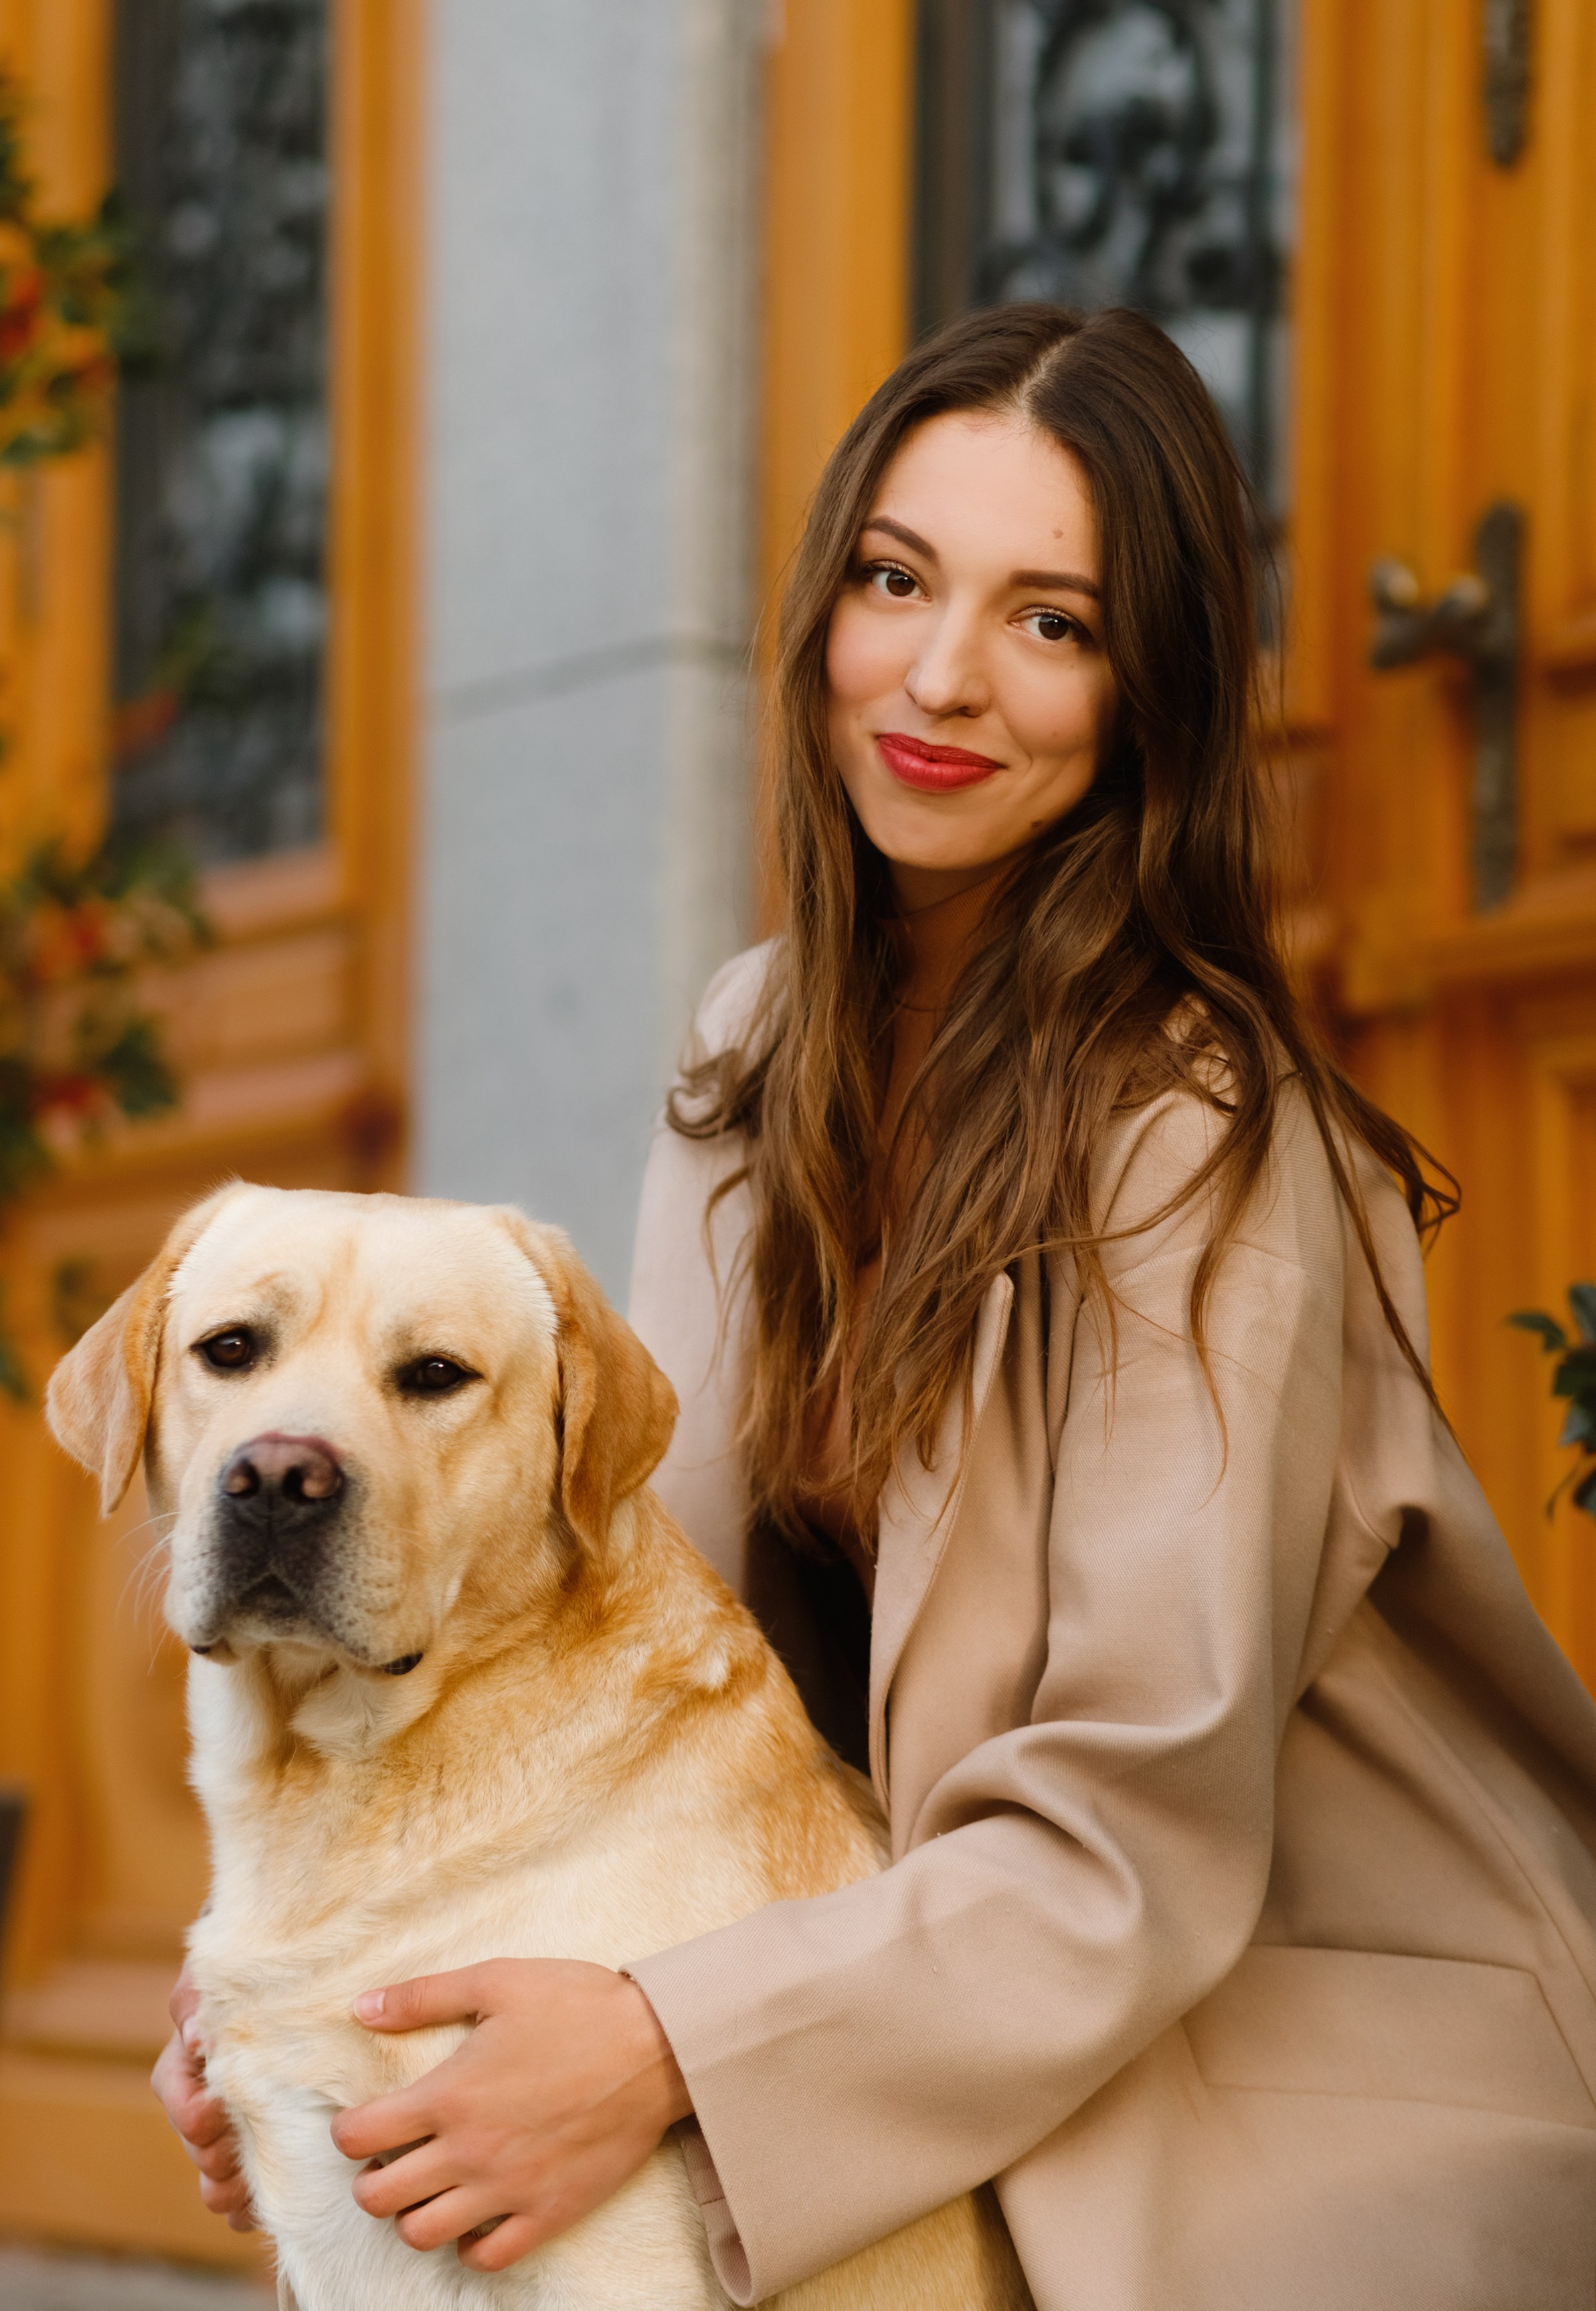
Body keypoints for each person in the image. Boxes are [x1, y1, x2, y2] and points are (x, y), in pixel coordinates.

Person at [154, 304, 1596, 2308]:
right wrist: (326, 1996)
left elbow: (1129, 1848)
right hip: (879, 1988)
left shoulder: (1202, 1140)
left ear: (1147, 697)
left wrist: (666, 2042)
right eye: (894, 582)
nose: (935, 678)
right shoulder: (758, 1047)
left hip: (1251, 2066)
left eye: (1050, 622)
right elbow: (646, 1658)